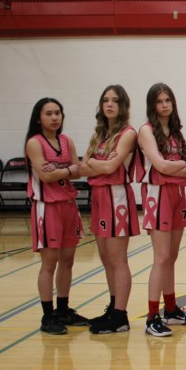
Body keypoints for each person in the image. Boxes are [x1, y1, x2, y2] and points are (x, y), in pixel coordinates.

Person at [137, 83, 186, 337]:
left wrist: (179, 165)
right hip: (157, 194)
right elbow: (161, 166)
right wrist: (181, 165)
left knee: (171, 257)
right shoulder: (146, 131)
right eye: (159, 101)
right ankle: (152, 317)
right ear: (152, 105)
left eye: (168, 100)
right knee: (161, 258)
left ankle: (171, 309)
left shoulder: (174, 131)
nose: (164, 105)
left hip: (177, 195)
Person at [25, 98, 89, 335]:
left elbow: (79, 170)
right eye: (49, 113)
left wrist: (63, 171)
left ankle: (63, 309)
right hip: (47, 206)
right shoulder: (34, 143)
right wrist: (67, 170)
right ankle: (47, 315)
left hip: (68, 204)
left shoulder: (66, 140)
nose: (54, 117)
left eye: (58, 113)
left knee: (68, 260)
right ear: (38, 118)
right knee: (49, 263)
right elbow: (46, 176)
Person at [81, 85, 139, 334]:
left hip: (117, 196)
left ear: (122, 105)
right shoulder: (100, 134)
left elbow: (109, 167)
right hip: (98, 197)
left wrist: (93, 163)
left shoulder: (128, 133)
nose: (109, 104)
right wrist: (94, 164)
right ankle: (113, 307)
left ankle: (121, 315)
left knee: (118, 259)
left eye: (115, 100)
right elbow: (83, 168)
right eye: (105, 100)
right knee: (105, 259)